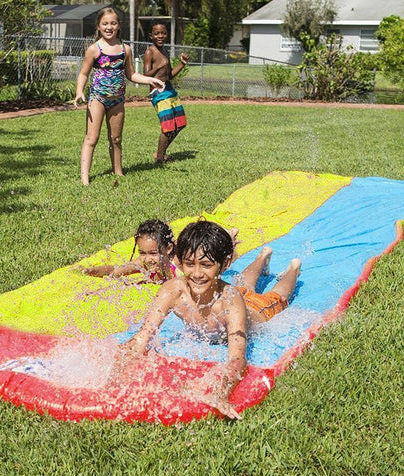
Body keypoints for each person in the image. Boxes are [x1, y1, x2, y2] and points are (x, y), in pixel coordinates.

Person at [115, 220, 301, 420]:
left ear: (225, 264)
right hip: (228, 291)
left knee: (275, 297)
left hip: (255, 310)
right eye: (189, 264)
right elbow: (142, 338)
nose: (196, 274)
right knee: (243, 282)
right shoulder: (173, 290)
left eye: (206, 265)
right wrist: (116, 372)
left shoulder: (230, 301)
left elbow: (237, 359)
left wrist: (220, 394)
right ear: (180, 260)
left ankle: (293, 270)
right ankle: (263, 257)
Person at [74, 7, 165, 185]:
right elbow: (84, 73)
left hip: (117, 100)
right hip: (97, 99)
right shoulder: (94, 49)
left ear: (118, 26)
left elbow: (131, 74)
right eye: (105, 23)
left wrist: (150, 80)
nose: (109, 27)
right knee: (91, 138)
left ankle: (118, 171)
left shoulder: (125, 49)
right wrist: (79, 91)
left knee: (116, 139)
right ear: (99, 26)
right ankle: (85, 177)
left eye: (113, 23)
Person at [143, 21, 189, 164]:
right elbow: (145, 75)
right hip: (158, 92)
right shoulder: (150, 52)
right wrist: (158, 67)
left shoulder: (165, 51)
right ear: (151, 35)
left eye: (163, 33)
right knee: (168, 126)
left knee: (180, 123)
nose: (160, 36)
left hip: (169, 89)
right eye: (156, 33)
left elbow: (169, 75)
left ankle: (160, 152)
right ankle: (159, 159)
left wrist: (181, 64)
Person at [83, 219, 180, 283]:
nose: (147, 259)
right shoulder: (143, 264)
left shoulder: (180, 264)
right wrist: (90, 271)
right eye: (142, 253)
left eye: (153, 253)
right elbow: (114, 271)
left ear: (168, 249)